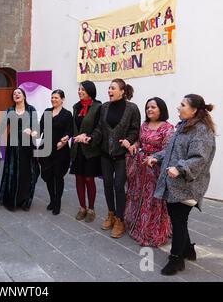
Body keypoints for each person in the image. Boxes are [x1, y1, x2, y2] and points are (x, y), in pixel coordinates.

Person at [146, 94, 216, 276]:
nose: (178, 107)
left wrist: (180, 168)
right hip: (174, 183)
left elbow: (199, 158)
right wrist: (157, 157)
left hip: (188, 185)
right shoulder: (184, 126)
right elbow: (171, 150)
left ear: (193, 111)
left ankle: (176, 259)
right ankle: (187, 250)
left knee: (178, 220)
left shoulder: (201, 130)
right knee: (177, 218)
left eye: (183, 105)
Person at [76, 78, 141, 238]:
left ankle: (120, 219)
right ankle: (111, 214)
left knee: (119, 186)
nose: (109, 91)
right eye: (109, 88)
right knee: (107, 184)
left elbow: (135, 129)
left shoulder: (132, 108)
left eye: (112, 88)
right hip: (105, 154)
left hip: (121, 155)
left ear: (122, 91)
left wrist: (129, 140)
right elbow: (99, 129)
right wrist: (91, 138)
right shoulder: (104, 107)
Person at [125, 98, 174, 247]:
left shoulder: (168, 128)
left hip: (156, 170)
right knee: (138, 195)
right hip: (141, 168)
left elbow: (168, 150)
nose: (149, 110)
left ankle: (152, 231)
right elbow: (140, 142)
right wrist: (134, 145)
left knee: (153, 200)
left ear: (161, 109)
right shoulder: (144, 125)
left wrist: (154, 158)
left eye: (153, 107)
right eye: (147, 107)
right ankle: (138, 226)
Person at [0, 88, 40, 211]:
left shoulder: (31, 109)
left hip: (27, 145)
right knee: (13, 172)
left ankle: (25, 200)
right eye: (14, 93)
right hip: (13, 145)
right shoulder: (10, 110)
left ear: (24, 96)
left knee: (27, 171)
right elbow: (1, 127)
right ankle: (13, 200)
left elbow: (36, 126)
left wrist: (33, 132)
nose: (16, 94)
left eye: (19, 93)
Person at [70, 81, 102, 222]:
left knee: (89, 179)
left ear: (90, 91)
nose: (79, 91)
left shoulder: (98, 107)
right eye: (79, 89)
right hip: (77, 149)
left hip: (91, 149)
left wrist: (88, 137)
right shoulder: (76, 107)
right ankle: (82, 207)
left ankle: (91, 209)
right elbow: (74, 128)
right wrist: (69, 137)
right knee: (79, 178)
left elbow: (99, 128)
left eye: (82, 89)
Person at [39, 89, 73, 215]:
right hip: (46, 150)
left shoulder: (67, 114)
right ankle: (52, 199)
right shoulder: (47, 112)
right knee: (48, 176)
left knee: (58, 177)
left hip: (60, 151)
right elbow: (40, 127)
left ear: (62, 100)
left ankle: (57, 202)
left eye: (56, 98)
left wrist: (65, 139)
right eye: (52, 97)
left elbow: (70, 131)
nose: (53, 100)